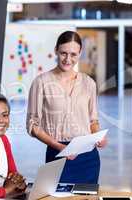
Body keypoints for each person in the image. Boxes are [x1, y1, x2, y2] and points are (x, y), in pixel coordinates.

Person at [26, 31, 107, 184]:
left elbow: (93, 121)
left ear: (80, 53)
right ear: (56, 50)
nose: (68, 59)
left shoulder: (89, 83)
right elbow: (32, 126)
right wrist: (59, 146)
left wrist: (98, 136)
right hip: (57, 153)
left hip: (88, 157)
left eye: (73, 54)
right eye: (63, 53)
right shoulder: (41, 83)